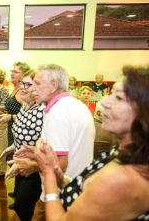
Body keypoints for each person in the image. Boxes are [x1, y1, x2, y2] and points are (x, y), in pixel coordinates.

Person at [34, 65, 149, 221]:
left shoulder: (122, 177)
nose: (104, 102)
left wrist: (48, 174)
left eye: (118, 97)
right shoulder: (129, 153)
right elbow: (87, 190)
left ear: (145, 112)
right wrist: (61, 178)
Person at [13, 64, 95, 221]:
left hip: (58, 194)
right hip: (75, 189)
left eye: (37, 83)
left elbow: (59, 164)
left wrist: (32, 165)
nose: (33, 89)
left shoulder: (57, 112)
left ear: (54, 85)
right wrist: (36, 152)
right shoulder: (74, 105)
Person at [0, 69, 44, 221]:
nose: (23, 87)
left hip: (34, 167)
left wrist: (31, 162)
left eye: (28, 84)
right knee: (19, 203)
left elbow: (45, 145)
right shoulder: (25, 107)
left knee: (24, 207)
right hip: (20, 162)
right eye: (23, 83)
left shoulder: (42, 111)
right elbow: (21, 134)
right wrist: (9, 149)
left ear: (38, 88)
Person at [0, 61, 30, 208]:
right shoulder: (14, 89)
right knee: (15, 159)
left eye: (16, 71)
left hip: (19, 128)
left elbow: (26, 114)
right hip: (11, 127)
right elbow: (11, 108)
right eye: (11, 71)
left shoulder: (23, 92)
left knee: (18, 160)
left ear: (24, 75)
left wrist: (10, 117)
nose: (12, 73)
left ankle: (21, 197)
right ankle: (17, 191)